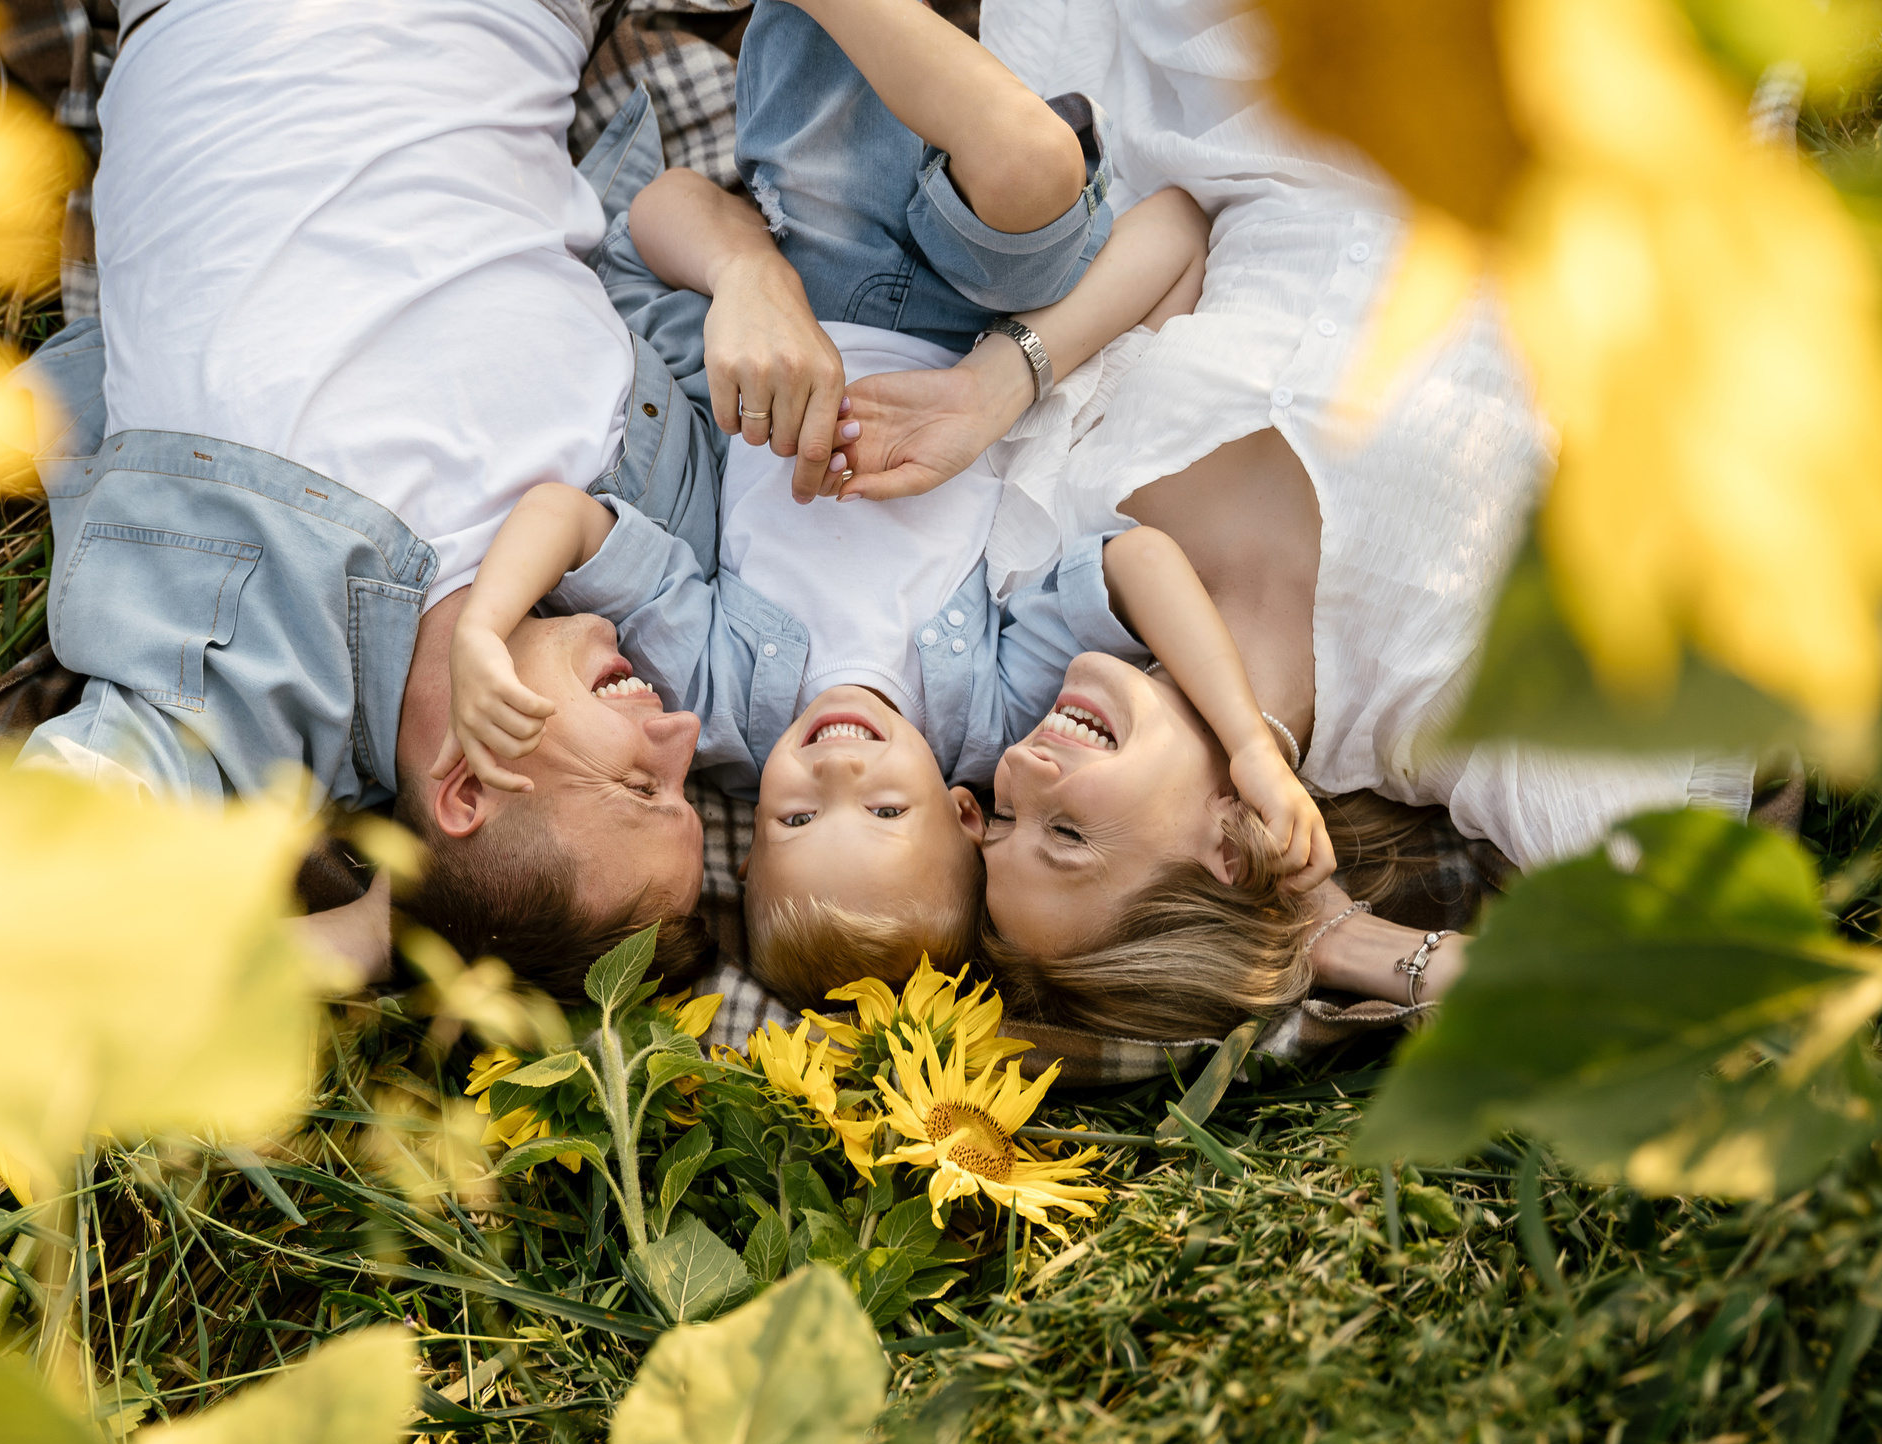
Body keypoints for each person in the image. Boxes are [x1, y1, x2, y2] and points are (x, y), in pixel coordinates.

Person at [440, 0, 1323, 1010]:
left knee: (753, 163)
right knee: (1029, 176)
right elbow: (1138, 564)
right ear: (963, 814)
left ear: (749, 834)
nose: (838, 777)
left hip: (813, 275)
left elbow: (566, 517)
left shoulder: (716, 696)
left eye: (796, 821)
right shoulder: (990, 718)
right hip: (976, 320)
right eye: (888, 812)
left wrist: (486, 624)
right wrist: (1247, 746)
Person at [948, 0, 1755, 1038]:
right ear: (1226, 851)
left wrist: (1001, 378)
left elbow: (1176, 234)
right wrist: (1338, 938)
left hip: (1258, 76)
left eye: (1005, 817)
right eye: (1063, 833)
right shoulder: (1443, 700)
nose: (1017, 769)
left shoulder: (1046, 550)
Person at [4, 0, 745, 1000]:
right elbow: (721, 298)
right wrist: (755, 279)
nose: (684, 734)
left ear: (467, 788)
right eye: (685, 784)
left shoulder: (252, 697)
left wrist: (378, 934)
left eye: (641, 783)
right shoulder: (653, 539)